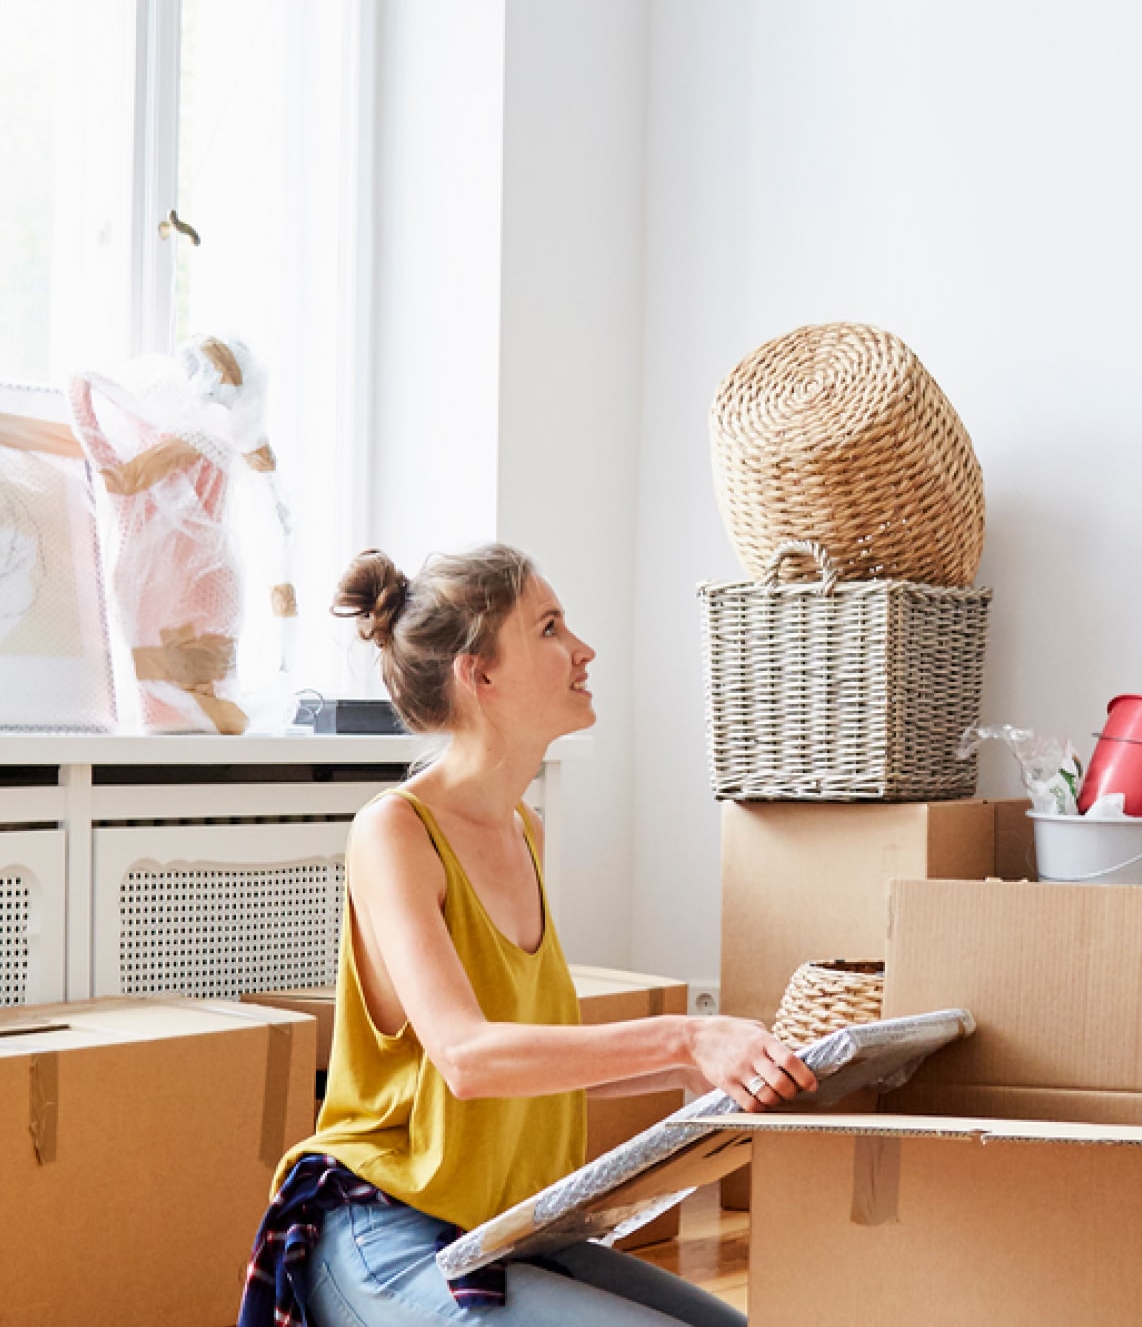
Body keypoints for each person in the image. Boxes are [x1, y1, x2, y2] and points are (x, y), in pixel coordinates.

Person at [238, 544, 813, 1327]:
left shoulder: (522, 830)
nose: (584, 649)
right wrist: (684, 1038)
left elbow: (540, 1053)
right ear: (480, 675)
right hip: (383, 1225)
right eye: (549, 628)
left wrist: (702, 1080)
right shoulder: (395, 832)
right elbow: (469, 1059)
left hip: (503, 1226)